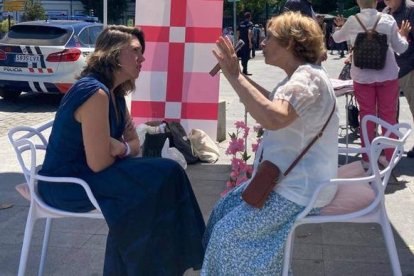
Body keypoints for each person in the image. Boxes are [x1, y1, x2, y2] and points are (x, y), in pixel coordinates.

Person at [37, 25, 205, 275]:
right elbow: (99, 163)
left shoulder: (114, 93)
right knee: (153, 184)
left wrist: (120, 147)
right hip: (66, 184)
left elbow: (134, 146)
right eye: (135, 51)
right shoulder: (95, 93)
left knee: (169, 172)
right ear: (114, 55)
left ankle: (173, 261)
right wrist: (118, 148)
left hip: (89, 173)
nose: (143, 58)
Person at [202, 12, 339, 275]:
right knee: (222, 211)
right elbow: (272, 101)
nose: (262, 43)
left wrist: (236, 76)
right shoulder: (302, 76)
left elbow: (274, 117)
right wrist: (235, 76)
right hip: (289, 182)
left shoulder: (307, 78)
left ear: (290, 43)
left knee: (227, 236)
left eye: (269, 38)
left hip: (300, 190)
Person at [333, 0, 410, 166]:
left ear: (357, 2)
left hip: (362, 77)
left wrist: (340, 27)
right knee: (389, 116)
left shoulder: (353, 20)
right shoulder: (388, 20)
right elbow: (400, 48)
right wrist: (403, 35)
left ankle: (367, 158)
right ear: (376, 1)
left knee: (366, 116)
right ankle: (389, 158)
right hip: (387, 76)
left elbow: (337, 38)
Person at [383, 0, 414, 157]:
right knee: (389, 111)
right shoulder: (385, 12)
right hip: (389, 70)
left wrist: (403, 38)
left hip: (409, 68)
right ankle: (391, 145)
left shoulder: (410, 9)